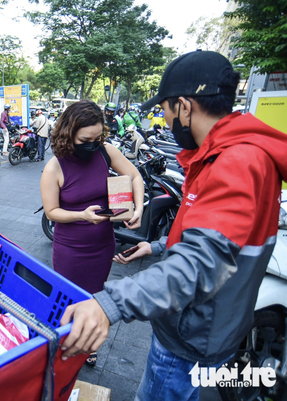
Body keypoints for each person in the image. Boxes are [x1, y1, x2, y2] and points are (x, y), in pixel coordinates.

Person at [59, 51, 287, 401]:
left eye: (164, 109)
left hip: (194, 337)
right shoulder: (223, 154)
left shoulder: (238, 161)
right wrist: (160, 246)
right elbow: (219, 238)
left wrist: (110, 304)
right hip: (204, 328)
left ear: (184, 106)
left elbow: (202, 262)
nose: (164, 120)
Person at [40, 100, 144, 364]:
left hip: (103, 244)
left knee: (96, 295)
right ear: (69, 132)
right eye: (86, 139)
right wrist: (81, 215)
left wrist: (139, 208)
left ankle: (89, 344)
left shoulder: (105, 151)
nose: (93, 144)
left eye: (98, 138)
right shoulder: (54, 167)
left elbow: (135, 176)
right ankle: (67, 341)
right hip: (71, 250)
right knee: (71, 298)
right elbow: (51, 212)